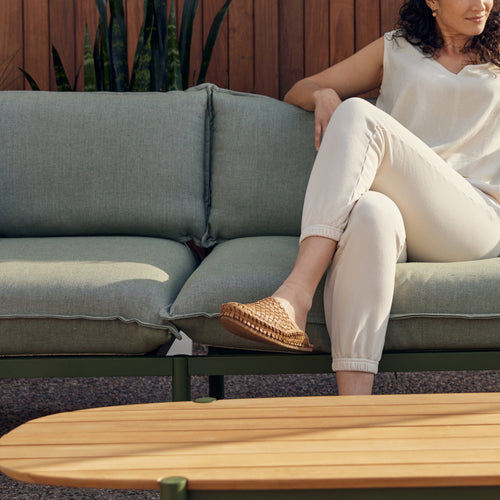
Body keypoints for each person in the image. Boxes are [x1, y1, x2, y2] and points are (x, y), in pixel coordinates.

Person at [220, 0, 500, 395]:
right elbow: (301, 89)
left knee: (358, 113)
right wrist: (323, 96)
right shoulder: (397, 48)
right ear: (432, 1)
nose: (482, 3)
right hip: (406, 220)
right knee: (369, 212)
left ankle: (295, 295)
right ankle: (353, 409)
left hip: (474, 222)